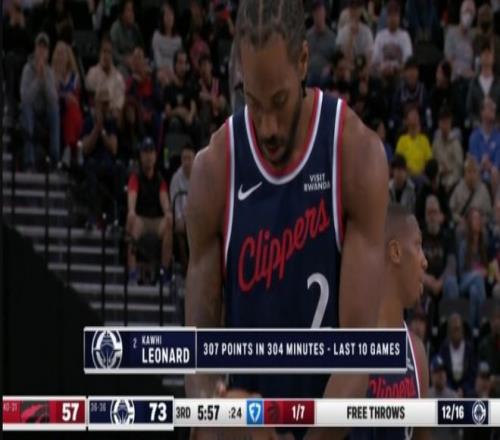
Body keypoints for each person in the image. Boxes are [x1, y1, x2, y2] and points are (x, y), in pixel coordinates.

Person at [185, 2, 388, 440]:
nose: (268, 126)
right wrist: (214, 414)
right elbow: (199, 357)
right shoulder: (214, 170)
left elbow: (356, 358)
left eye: (278, 101)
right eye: (253, 103)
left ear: (302, 61)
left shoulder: (355, 155)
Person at [350, 204, 430, 440]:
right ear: (395, 252)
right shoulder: (347, 344)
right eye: (418, 245)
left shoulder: (416, 353)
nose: (425, 261)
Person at [127, 137, 173, 285]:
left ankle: (164, 271)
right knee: (131, 222)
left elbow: (164, 199)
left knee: (169, 223)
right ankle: (132, 272)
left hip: (156, 220)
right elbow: (132, 196)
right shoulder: (135, 177)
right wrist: (131, 211)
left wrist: (168, 212)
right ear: (141, 155)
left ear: (155, 155)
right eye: (145, 152)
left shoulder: (159, 179)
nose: (148, 156)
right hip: (141, 220)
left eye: (151, 152)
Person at [20, 32, 60, 171]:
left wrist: (44, 79)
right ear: (35, 49)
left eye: (45, 48)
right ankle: (29, 162)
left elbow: (53, 100)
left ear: (48, 52)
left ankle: (55, 159)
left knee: (55, 110)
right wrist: (38, 79)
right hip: (30, 116)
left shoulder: (50, 72)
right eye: (39, 47)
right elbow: (25, 98)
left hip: (45, 116)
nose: (42, 51)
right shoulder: (27, 69)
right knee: (26, 107)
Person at [421, 195, 459, 318]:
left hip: (443, 281)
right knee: (415, 283)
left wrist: (440, 282)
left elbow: (452, 264)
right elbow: (412, 264)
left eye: (434, 212)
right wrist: (425, 278)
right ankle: (420, 325)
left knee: (451, 283)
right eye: (429, 213)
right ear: (425, 216)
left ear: (440, 215)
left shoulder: (448, 235)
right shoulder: (419, 235)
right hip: (425, 280)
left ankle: (449, 324)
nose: (432, 216)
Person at [51, 40, 83, 164]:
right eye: (57, 53)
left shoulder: (75, 77)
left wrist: (67, 97)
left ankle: (69, 148)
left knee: (72, 110)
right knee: (69, 108)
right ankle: (73, 148)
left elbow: (76, 100)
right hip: (56, 109)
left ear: (68, 57)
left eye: (62, 53)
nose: (60, 56)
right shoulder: (50, 74)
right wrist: (64, 95)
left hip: (71, 112)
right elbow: (52, 96)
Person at [457, 208, 489, 327]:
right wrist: (477, 273)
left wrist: (485, 272)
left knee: (474, 291)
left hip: (478, 285)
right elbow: (461, 272)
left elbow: (488, 269)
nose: (478, 221)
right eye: (474, 218)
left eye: (479, 218)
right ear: (469, 222)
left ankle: (472, 328)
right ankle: (484, 321)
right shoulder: (464, 245)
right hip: (464, 282)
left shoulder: (483, 245)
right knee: (478, 277)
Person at [86, 33, 126, 122]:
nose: (106, 55)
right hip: (96, 114)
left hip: (114, 116)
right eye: (104, 51)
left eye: (109, 52)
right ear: (100, 53)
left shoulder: (118, 77)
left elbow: (120, 100)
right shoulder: (92, 72)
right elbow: (92, 91)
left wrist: (115, 109)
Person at [371, 0, 412, 82]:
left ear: (399, 17)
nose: (393, 19)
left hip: (399, 75)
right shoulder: (380, 36)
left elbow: (408, 59)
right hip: (382, 75)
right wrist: (382, 69)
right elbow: (375, 60)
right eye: (390, 16)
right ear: (386, 18)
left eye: (395, 15)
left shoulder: (404, 36)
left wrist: (395, 69)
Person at [170, 144, 195, 274]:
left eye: (189, 158)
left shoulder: (201, 175)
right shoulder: (176, 178)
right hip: (182, 219)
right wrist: (180, 218)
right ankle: (186, 268)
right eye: (184, 158)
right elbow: (174, 204)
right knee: (179, 230)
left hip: (197, 218)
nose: (186, 162)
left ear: (194, 159)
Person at [439, 313, 476, 397]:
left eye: (458, 329)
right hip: (448, 390)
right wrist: (451, 391)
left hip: (467, 390)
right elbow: (442, 372)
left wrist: (463, 389)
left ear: (462, 330)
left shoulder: (469, 349)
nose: (456, 332)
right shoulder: (443, 349)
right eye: (453, 329)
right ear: (449, 332)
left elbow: (472, 373)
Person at [468, 97, 500, 190]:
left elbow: (497, 165)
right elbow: (474, 164)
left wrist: (489, 166)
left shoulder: (498, 137)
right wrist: (482, 165)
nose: (493, 108)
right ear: (482, 113)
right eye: (489, 106)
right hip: (478, 179)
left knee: (494, 172)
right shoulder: (474, 137)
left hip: (495, 179)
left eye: (493, 107)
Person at [449, 157, 492, 225]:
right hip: (462, 224)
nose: (471, 175)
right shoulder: (458, 188)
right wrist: (459, 219)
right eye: (469, 171)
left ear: (478, 174)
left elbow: (489, 214)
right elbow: (450, 211)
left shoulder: (483, 189)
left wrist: (480, 221)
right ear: (464, 174)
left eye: (474, 171)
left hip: (479, 225)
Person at [466, 42, 500, 126]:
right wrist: (479, 123)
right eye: (484, 53)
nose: (487, 55)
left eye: (489, 53)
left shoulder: (498, 83)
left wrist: (496, 123)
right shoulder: (474, 83)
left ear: (493, 58)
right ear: (480, 58)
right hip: (478, 127)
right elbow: (469, 110)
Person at [432, 107, 463, 193]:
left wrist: (450, 182)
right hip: (439, 180)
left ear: (450, 123)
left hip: (452, 182)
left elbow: (459, 168)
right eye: (442, 122)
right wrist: (440, 171)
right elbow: (433, 164)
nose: (444, 126)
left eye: (446, 122)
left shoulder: (456, 143)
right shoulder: (436, 143)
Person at [395, 106, 433, 177]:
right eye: (412, 114)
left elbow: (429, 161)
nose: (415, 116)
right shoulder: (402, 140)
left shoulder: (424, 140)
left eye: (416, 114)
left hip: (422, 176)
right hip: (406, 176)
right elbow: (399, 161)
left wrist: (423, 171)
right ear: (406, 121)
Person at [428, 355, 459, 440]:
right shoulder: (426, 397)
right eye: (437, 371)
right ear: (431, 375)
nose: (441, 374)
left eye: (442, 370)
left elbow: (457, 432)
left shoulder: (454, 397)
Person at [152, 2, 183, 89]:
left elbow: (180, 59)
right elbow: (157, 58)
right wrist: (169, 73)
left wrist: (175, 73)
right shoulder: (157, 36)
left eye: (171, 15)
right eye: (166, 15)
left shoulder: (178, 39)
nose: (169, 18)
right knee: (163, 78)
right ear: (162, 18)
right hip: (161, 70)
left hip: (176, 71)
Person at [306, 0, 336, 87]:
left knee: (323, 80)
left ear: (324, 14)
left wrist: (330, 67)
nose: (318, 15)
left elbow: (335, 60)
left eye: (320, 12)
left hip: (324, 73)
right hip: (309, 72)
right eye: (316, 13)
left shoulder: (332, 37)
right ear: (313, 15)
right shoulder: (308, 36)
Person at [335, 0, 374, 69]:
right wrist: (351, 36)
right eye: (352, 8)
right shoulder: (342, 32)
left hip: (362, 69)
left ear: (361, 10)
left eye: (357, 8)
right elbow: (344, 59)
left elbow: (369, 57)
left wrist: (365, 70)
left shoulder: (367, 32)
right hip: (347, 70)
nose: (354, 11)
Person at [110, 0, 144, 75]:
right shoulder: (115, 28)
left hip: (135, 61)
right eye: (129, 10)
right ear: (122, 14)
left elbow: (141, 47)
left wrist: (138, 56)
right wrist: (125, 59)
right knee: (121, 71)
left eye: (132, 10)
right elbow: (113, 53)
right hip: (122, 64)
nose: (132, 13)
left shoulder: (135, 28)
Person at [444, 0, 475, 81]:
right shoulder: (451, 33)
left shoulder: (472, 37)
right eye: (466, 11)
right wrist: (461, 71)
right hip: (456, 78)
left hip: (470, 78)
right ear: (461, 13)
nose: (468, 15)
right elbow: (448, 59)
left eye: (471, 13)